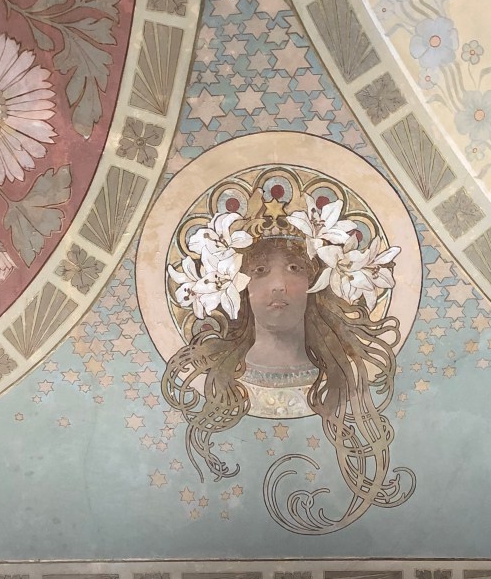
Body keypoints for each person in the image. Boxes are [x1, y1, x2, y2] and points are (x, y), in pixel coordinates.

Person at [162, 184, 415, 533]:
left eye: (295, 268)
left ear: (318, 283)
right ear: (237, 286)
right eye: (260, 271)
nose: (278, 284)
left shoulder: (338, 383)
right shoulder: (223, 385)